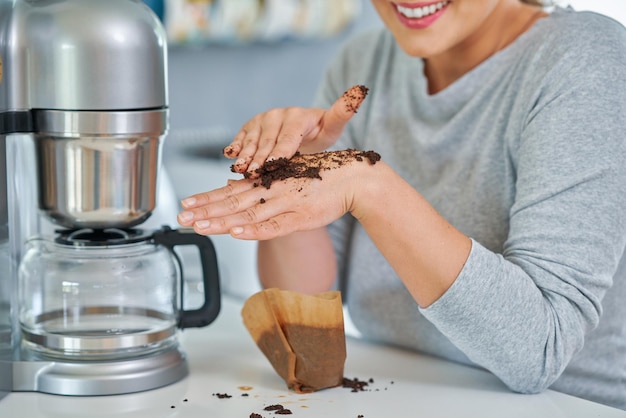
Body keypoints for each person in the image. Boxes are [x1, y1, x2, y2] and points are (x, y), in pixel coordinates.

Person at [177, 0, 626, 410]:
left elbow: (539, 352)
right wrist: (294, 173)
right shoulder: (364, 62)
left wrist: (370, 186)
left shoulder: (586, 59)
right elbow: (308, 339)